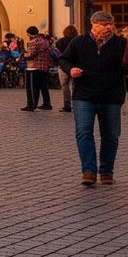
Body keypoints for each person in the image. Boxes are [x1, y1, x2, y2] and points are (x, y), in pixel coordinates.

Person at [63, 10, 127, 186]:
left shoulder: (120, 43)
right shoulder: (79, 41)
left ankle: (106, 172)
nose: (107, 27)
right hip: (84, 95)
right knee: (84, 133)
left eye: (109, 24)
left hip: (112, 96)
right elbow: (64, 59)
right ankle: (89, 171)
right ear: (93, 24)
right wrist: (71, 70)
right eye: (102, 24)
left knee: (111, 136)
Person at [23, 26, 57, 112]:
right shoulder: (45, 41)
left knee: (32, 87)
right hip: (45, 66)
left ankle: (31, 105)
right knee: (43, 86)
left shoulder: (34, 42)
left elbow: (30, 54)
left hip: (34, 66)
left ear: (30, 33)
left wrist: (24, 55)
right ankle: (47, 103)